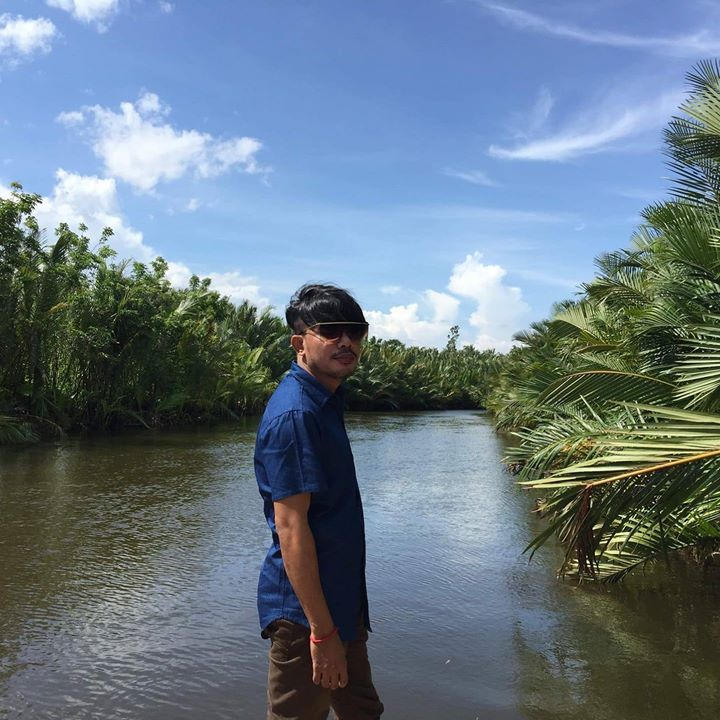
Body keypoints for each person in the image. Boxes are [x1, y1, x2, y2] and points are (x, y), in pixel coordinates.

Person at [254, 283, 384, 720]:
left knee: (362, 711)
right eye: (330, 331)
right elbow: (291, 528)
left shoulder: (325, 400)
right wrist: (322, 633)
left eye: (355, 331)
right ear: (299, 343)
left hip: (339, 604)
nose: (346, 341)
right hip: (307, 617)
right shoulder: (297, 414)